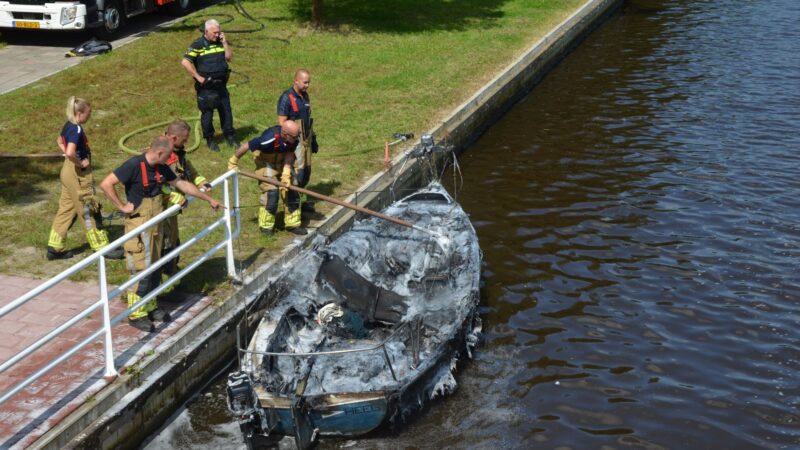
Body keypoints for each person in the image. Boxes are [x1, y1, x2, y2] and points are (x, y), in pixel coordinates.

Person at [100, 136, 223, 331]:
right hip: (139, 229)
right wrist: (122, 207)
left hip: (156, 227)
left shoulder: (161, 167)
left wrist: (208, 199)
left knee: (155, 268)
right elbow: (106, 183)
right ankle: (136, 312)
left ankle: (150, 305)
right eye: (167, 156)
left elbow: (182, 185)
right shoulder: (133, 165)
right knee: (142, 271)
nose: (169, 160)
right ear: (159, 153)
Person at [47, 96, 123, 261]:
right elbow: (69, 152)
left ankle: (54, 246)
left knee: (66, 208)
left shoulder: (69, 125)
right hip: (78, 174)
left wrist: (71, 158)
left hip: (67, 171)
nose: (90, 115)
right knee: (88, 209)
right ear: (80, 113)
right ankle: (101, 247)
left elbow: (60, 141)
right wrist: (80, 162)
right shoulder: (77, 130)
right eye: (89, 112)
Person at [227, 121, 306, 236]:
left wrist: (286, 173)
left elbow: (290, 153)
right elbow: (246, 146)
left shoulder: (293, 138)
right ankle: (266, 227)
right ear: (284, 134)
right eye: (294, 136)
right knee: (272, 192)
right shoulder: (267, 139)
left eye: (297, 135)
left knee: (293, 188)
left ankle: (292, 224)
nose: (297, 138)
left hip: (282, 162)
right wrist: (233, 161)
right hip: (266, 163)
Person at [161, 119, 213, 275]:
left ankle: (172, 271)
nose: (187, 142)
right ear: (173, 138)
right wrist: (172, 196)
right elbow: (156, 183)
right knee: (166, 242)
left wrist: (200, 181)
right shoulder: (161, 154)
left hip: (172, 209)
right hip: (160, 207)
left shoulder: (177, 152)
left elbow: (187, 170)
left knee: (174, 240)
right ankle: (166, 274)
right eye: (184, 139)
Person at [181, 19, 238, 153]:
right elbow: (185, 62)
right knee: (207, 115)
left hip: (221, 86)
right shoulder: (198, 45)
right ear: (206, 31)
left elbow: (229, 57)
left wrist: (224, 42)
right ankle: (210, 139)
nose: (217, 35)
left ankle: (230, 136)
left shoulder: (220, 42)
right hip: (206, 88)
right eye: (214, 33)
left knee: (226, 111)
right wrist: (198, 77)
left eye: (219, 32)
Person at [277, 69, 319, 213]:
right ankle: (292, 205)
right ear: (296, 81)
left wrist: (313, 139)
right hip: (295, 141)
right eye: (305, 82)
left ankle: (300, 200)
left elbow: (307, 118)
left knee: (306, 172)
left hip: (306, 139)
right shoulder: (286, 98)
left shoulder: (305, 97)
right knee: (297, 174)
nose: (307, 85)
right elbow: (282, 122)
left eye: (309, 82)